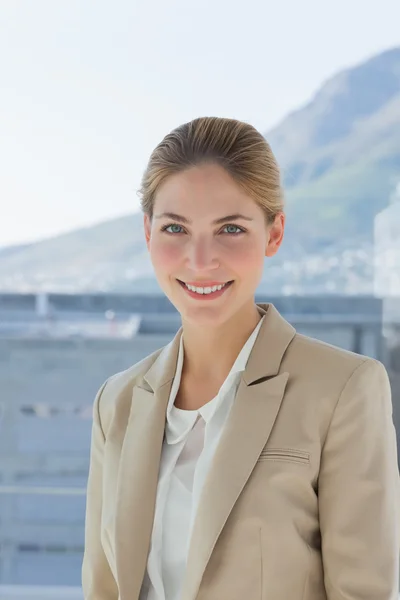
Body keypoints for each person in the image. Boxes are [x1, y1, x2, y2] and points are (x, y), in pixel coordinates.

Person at [82, 116, 399, 600]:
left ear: (274, 234)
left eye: (230, 228)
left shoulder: (343, 389)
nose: (201, 259)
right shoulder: (118, 402)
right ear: (148, 233)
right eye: (175, 228)